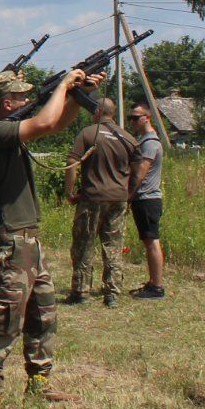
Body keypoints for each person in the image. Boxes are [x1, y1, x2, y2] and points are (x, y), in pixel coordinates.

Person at [0, 68, 101, 400]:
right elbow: (44, 122)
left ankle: (40, 384)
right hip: (8, 240)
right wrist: (63, 86)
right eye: (20, 97)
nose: (26, 101)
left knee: (43, 314)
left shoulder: (6, 130)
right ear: (6, 103)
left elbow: (56, 124)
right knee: (4, 320)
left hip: (26, 239)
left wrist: (76, 96)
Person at [65, 98, 137, 306]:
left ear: (97, 111)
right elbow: (139, 168)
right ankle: (112, 293)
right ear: (113, 113)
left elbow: (72, 162)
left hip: (92, 197)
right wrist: (128, 192)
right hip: (118, 198)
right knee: (113, 245)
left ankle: (81, 292)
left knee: (84, 244)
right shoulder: (128, 138)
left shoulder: (88, 133)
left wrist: (69, 191)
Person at [128, 103, 167, 299]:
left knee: (151, 241)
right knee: (148, 240)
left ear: (147, 118)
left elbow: (140, 173)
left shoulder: (150, 143)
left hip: (147, 198)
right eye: (131, 118)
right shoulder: (144, 140)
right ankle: (153, 282)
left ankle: (157, 287)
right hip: (146, 198)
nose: (132, 121)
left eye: (136, 118)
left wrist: (128, 195)